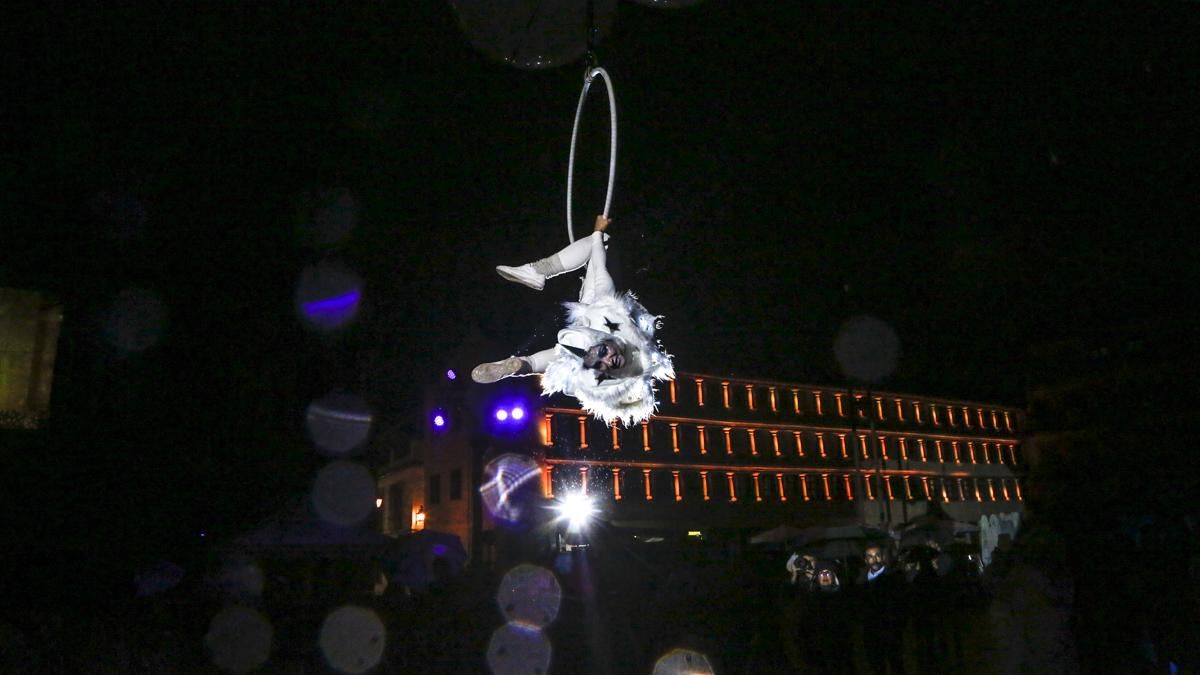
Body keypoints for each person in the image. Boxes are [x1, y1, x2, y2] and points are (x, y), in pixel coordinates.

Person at [472, 215, 674, 426]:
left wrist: (597, 231)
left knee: (601, 242)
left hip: (593, 319)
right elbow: (602, 273)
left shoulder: (601, 344)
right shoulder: (619, 339)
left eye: (603, 359)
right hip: (596, 316)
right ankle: (522, 364)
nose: (608, 356)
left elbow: (601, 272)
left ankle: (537, 275)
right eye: (612, 359)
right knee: (602, 245)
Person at [858, 544, 908, 675]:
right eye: (870, 556)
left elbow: (902, 604)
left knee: (896, 664)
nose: (874, 559)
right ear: (865, 560)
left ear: (883, 557)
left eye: (877, 555)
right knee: (877, 666)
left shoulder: (894, 578)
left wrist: (898, 624)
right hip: (871, 632)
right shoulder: (860, 581)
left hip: (891, 630)